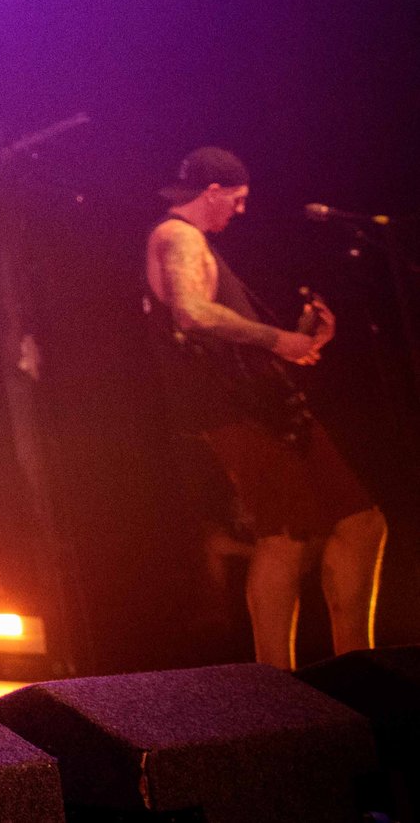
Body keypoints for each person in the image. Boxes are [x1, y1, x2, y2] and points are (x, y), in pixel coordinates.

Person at [142, 146, 386, 667]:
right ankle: (275, 683)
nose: (242, 210)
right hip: (235, 412)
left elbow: (227, 335)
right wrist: (279, 340)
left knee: (360, 522)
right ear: (212, 193)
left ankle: (357, 666)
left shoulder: (195, 242)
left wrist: (298, 338)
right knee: (284, 535)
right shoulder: (177, 236)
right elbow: (189, 311)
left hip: (262, 404)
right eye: (237, 199)